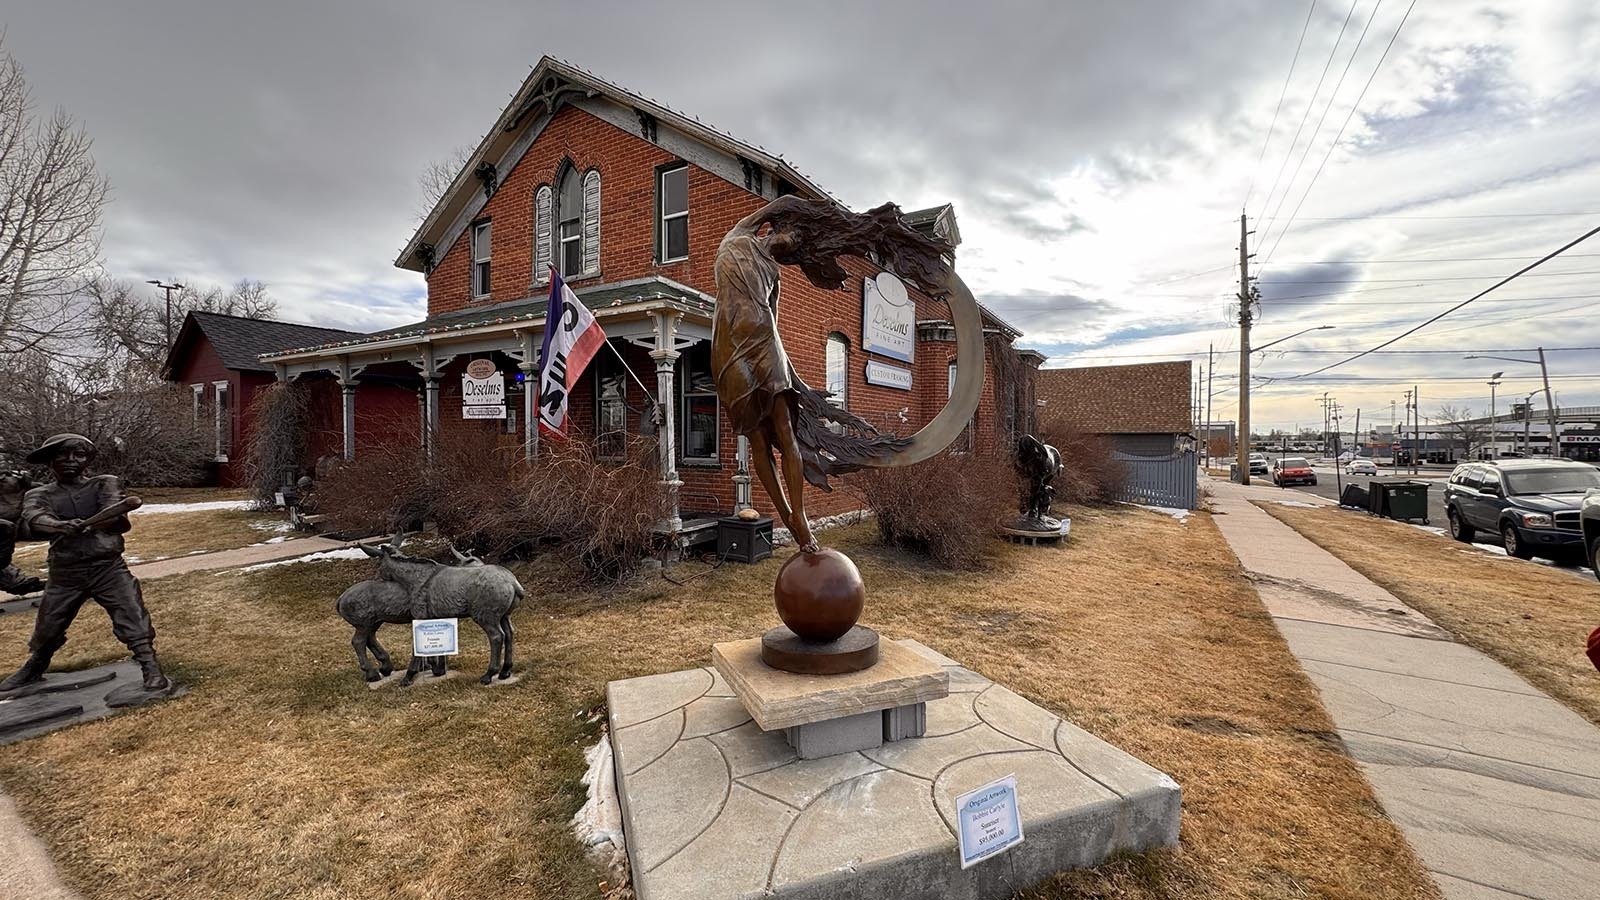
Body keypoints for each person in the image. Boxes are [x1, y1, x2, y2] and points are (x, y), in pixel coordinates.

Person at [0, 434, 169, 693]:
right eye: (62, 455)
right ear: (49, 461)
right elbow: (34, 517)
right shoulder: (39, 493)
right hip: (66, 571)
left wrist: (92, 524)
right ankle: (36, 665)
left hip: (108, 567)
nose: (71, 461)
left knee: (131, 612)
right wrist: (58, 526)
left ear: (87, 460)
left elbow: (115, 511)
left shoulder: (104, 484)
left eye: (78, 455)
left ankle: (150, 666)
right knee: (49, 624)